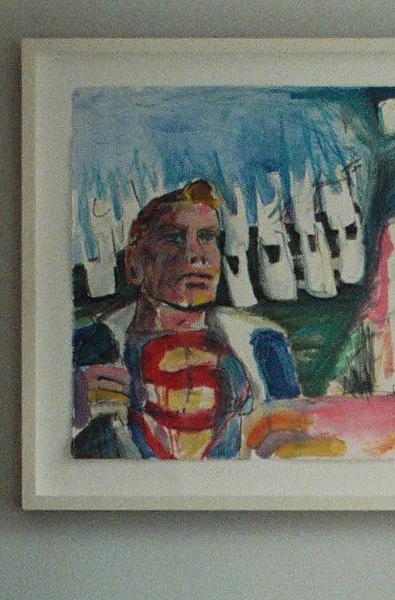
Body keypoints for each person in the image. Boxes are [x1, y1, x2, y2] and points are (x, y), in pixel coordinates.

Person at [72, 179, 300, 458]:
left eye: (207, 237)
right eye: (174, 238)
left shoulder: (263, 344)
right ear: (134, 264)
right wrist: (72, 412)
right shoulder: (86, 350)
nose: (196, 255)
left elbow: (290, 454)